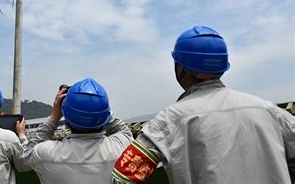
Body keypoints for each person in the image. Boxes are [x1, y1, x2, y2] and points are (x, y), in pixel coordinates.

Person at [112, 26, 295, 183]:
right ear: (223, 67)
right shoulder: (271, 112)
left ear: (180, 69)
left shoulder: (168, 121)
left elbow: (122, 178)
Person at [20, 78, 133, 183]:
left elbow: (25, 156)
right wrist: (97, 103)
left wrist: (54, 117)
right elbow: (121, 129)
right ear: (105, 115)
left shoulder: (45, 153)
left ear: (65, 115)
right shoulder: (122, 146)